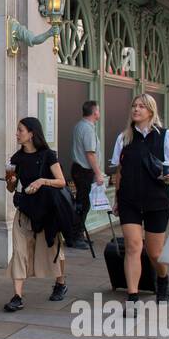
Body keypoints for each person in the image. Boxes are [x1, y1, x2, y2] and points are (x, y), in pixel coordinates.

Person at [110, 94, 169, 311]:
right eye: (134, 105)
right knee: (133, 246)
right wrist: (116, 198)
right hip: (129, 200)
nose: (136, 109)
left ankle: (162, 279)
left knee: (155, 252)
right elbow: (119, 172)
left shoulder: (164, 136)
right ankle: (132, 297)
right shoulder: (124, 138)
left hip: (157, 200)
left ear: (151, 111)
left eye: (141, 106)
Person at [4, 117, 69, 311]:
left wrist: (41, 181)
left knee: (53, 247)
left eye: (20, 130)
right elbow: (10, 188)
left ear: (32, 133)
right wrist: (11, 181)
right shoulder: (15, 158)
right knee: (19, 251)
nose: (17, 133)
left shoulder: (48, 155)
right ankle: (17, 296)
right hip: (25, 211)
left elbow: (61, 181)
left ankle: (60, 283)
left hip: (47, 211)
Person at [68, 101, 105, 249]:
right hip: (84, 171)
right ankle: (75, 237)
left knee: (82, 203)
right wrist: (98, 174)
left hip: (79, 169)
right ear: (95, 112)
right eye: (99, 110)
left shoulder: (80, 125)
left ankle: (79, 234)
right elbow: (90, 154)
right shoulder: (87, 129)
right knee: (83, 204)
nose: (99, 113)